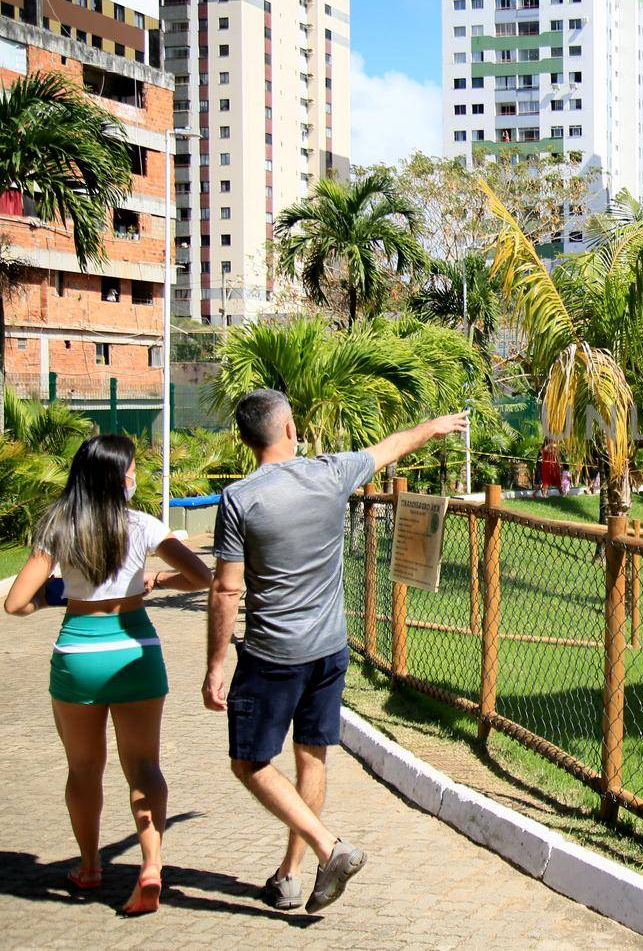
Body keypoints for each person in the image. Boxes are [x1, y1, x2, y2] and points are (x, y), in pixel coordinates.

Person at [205, 389, 467, 913]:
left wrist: (215, 665)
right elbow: (389, 448)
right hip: (329, 650)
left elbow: (227, 589)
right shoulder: (330, 473)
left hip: (272, 656)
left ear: (245, 439)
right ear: (289, 429)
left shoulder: (239, 498)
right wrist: (432, 427)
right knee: (312, 756)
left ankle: (328, 849)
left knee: (250, 763)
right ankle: (290, 876)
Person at [4, 435, 213, 915]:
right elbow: (202, 577)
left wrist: (56, 597)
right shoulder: (143, 525)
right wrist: (157, 580)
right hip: (136, 649)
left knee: (83, 769)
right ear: (121, 478)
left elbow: (16, 603)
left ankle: (90, 866)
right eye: (133, 468)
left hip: (79, 652)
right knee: (144, 766)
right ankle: (152, 867)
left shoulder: (58, 525)